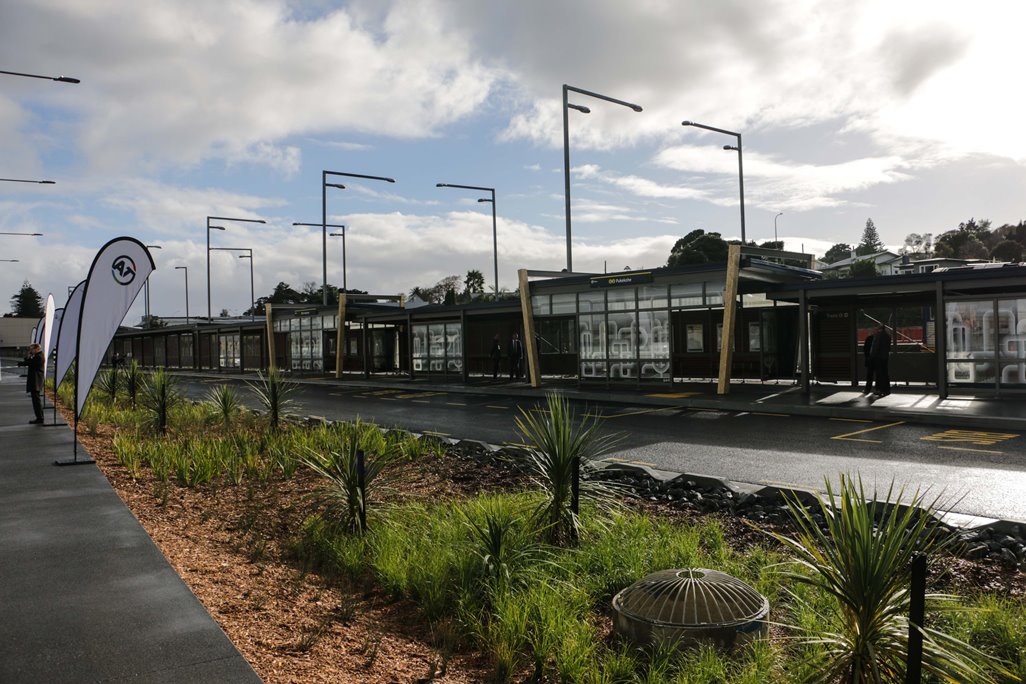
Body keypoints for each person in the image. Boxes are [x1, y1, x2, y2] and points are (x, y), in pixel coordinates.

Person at [17, 343, 45, 424]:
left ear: (37, 349)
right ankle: (39, 417)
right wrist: (28, 356)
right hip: (35, 381)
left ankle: (40, 418)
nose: (31, 350)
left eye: (32, 349)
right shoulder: (37, 356)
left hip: (36, 381)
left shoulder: (39, 357)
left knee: (36, 401)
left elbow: (29, 363)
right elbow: (28, 360)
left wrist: (20, 363)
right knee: (36, 400)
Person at [870, 324, 891, 397]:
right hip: (885, 357)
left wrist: (872, 356)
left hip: (878, 358)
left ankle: (880, 390)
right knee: (885, 373)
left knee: (879, 374)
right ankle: (887, 390)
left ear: (879, 329)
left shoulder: (878, 336)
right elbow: (889, 348)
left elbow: (875, 347)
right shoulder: (888, 336)